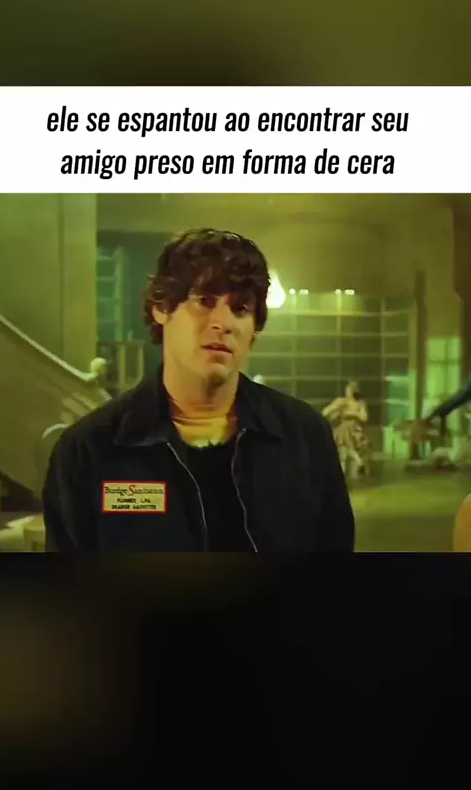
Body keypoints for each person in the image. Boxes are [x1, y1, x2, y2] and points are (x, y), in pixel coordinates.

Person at [42, 228, 354, 553]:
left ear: (254, 329)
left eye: (240, 309)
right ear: (162, 307)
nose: (223, 323)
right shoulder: (90, 451)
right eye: (205, 301)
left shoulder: (303, 438)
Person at [322, 382, 370, 479]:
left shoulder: (360, 403)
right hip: (343, 429)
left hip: (355, 429)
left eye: (350, 391)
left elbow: (364, 417)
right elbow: (326, 412)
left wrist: (353, 413)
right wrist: (334, 409)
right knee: (342, 447)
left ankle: (357, 462)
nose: (348, 393)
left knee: (346, 444)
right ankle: (349, 466)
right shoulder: (341, 402)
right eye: (347, 390)